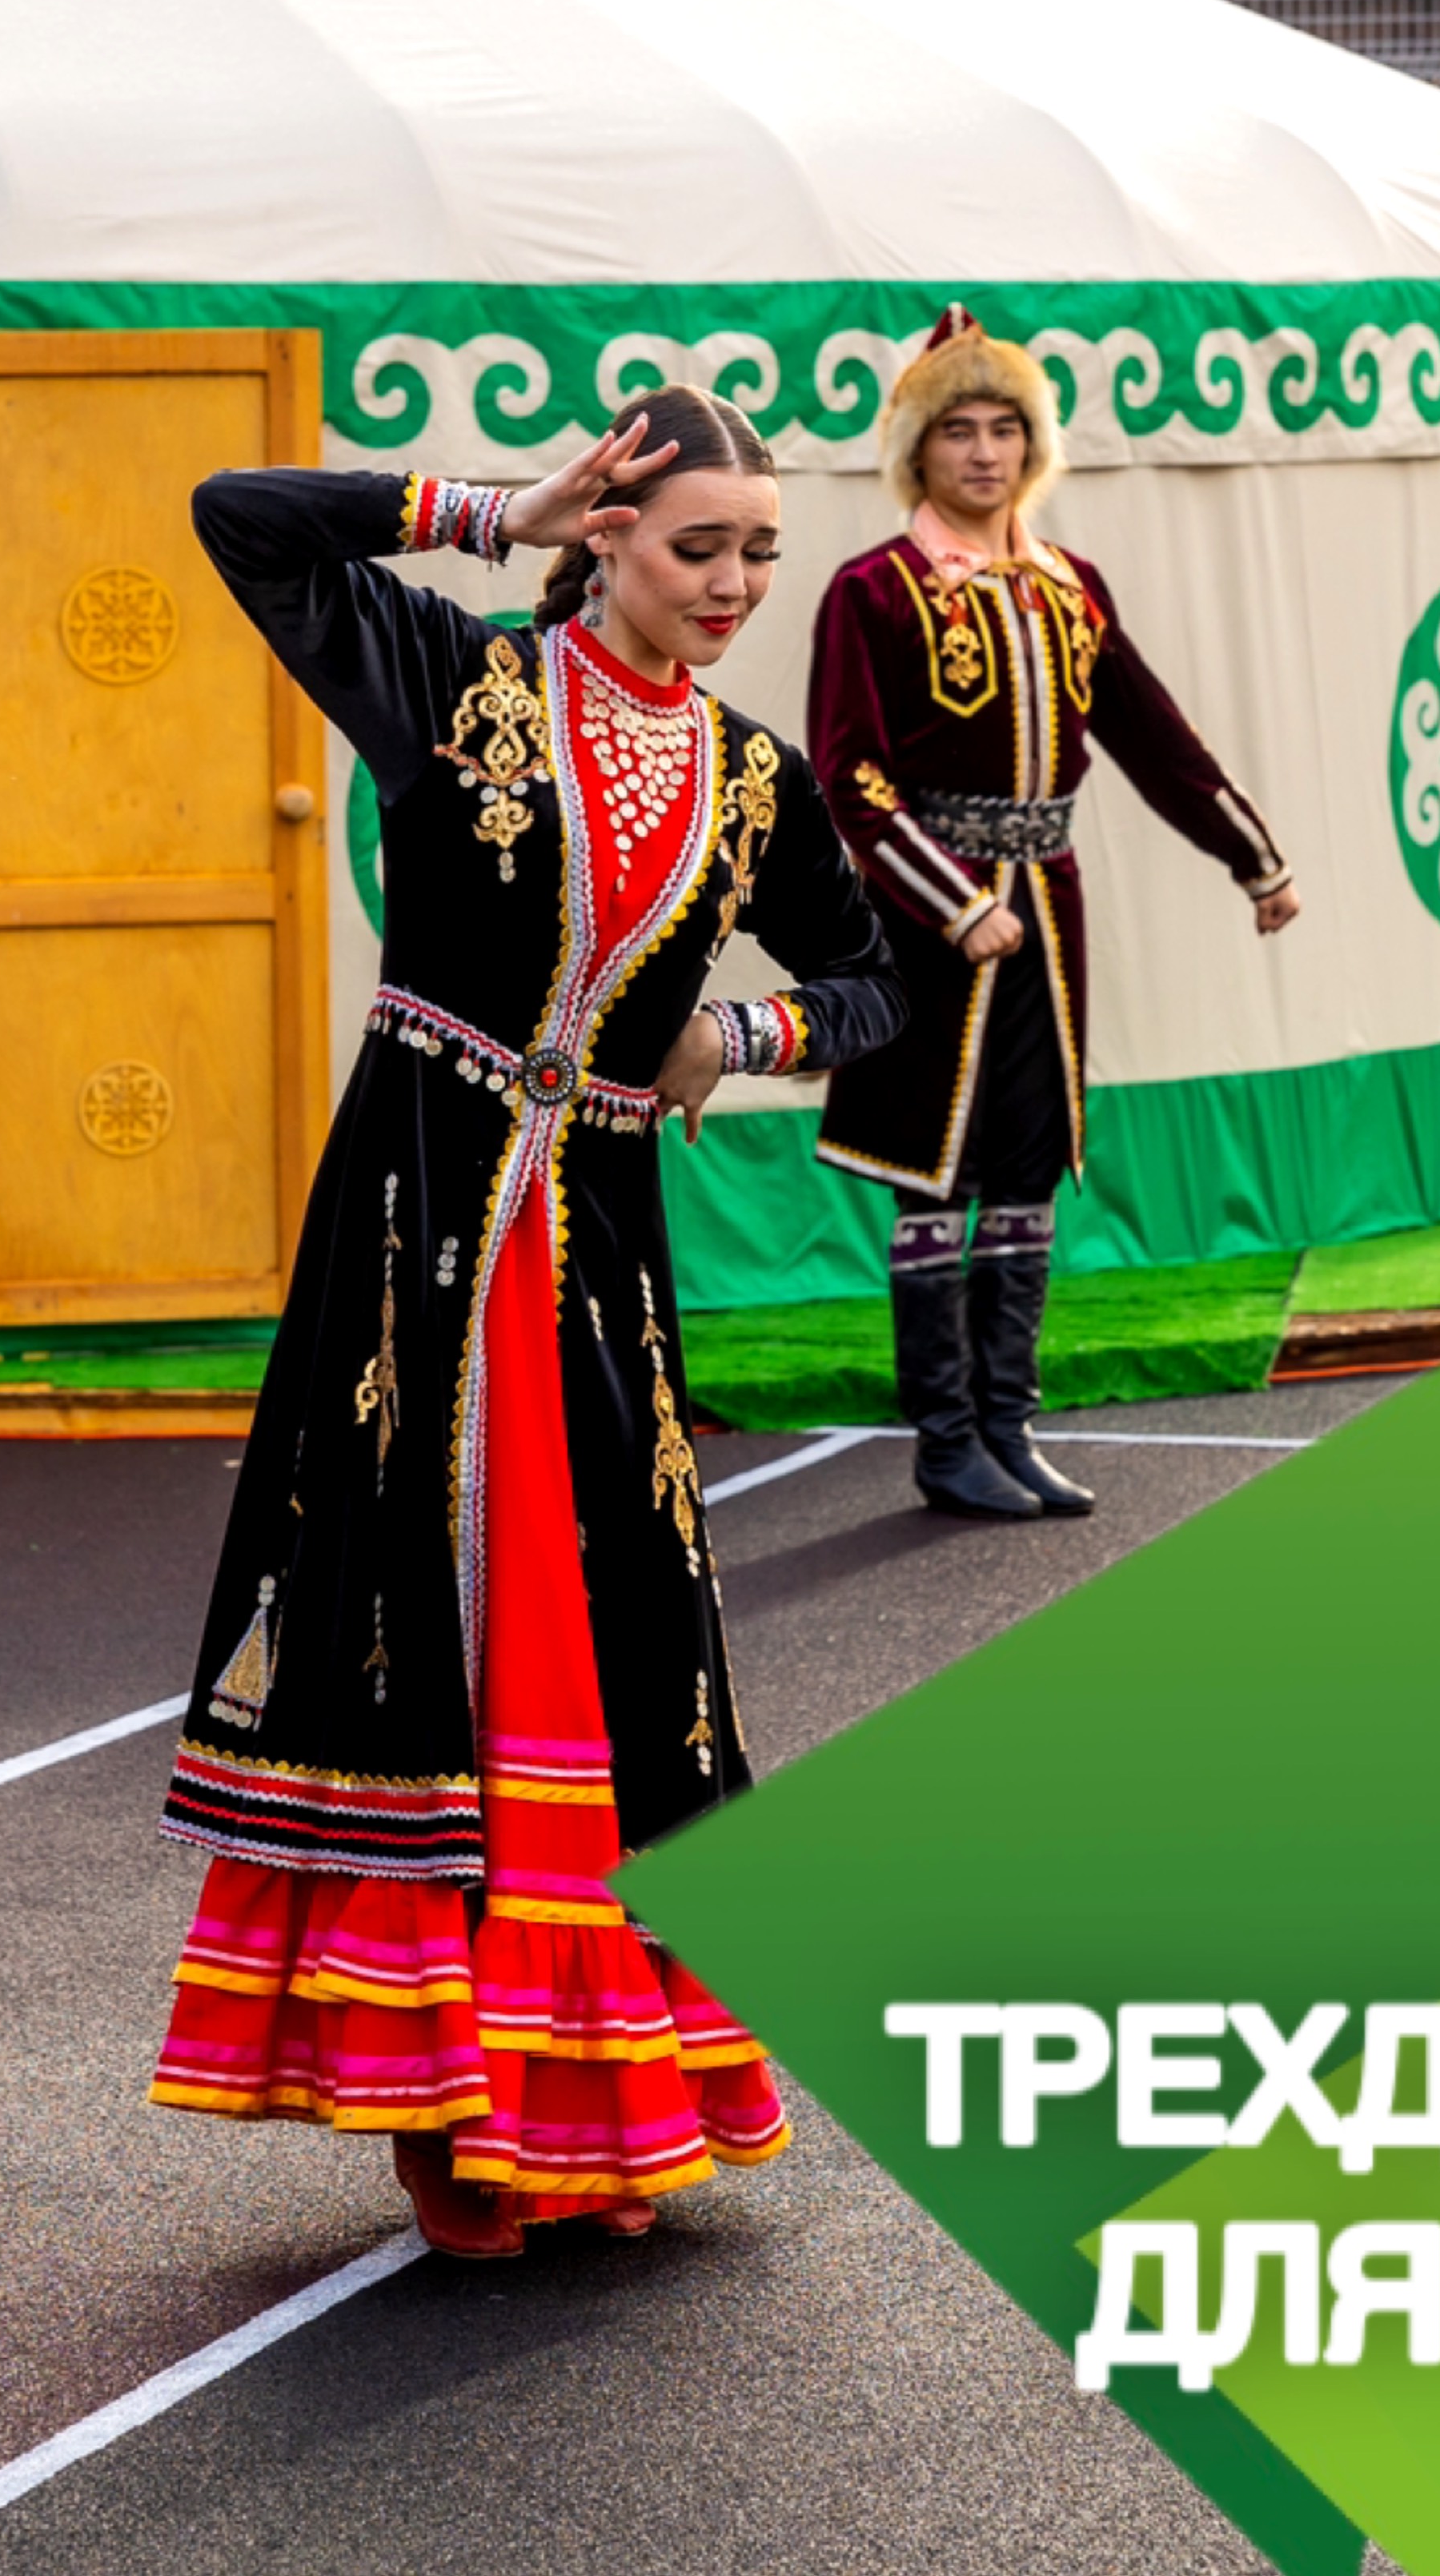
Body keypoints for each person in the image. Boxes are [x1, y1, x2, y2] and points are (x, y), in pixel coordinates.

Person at [144, 389, 903, 2260]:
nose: (731, 584)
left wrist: (745, 1035)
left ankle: (586, 2073)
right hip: (421, 1225)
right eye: (693, 545)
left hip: (599, 1258)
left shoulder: (749, 778)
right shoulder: (455, 682)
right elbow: (240, 514)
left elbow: (870, 977)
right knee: (430, 1623)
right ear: (608, 536)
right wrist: (486, 505)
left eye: (755, 553)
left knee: (609, 1629)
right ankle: (446, 2096)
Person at [805, 307, 1301, 1522]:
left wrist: (1253, 858)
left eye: (1007, 428)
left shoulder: (1069, 590)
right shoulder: (874, 593)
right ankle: (944, 1440)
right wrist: (954, 900)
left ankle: (1009, 1427)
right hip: (929, 925)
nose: (984, 452)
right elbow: (847, 776)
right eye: (958, 431)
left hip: (1048, 920)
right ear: (916, 454)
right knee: (932, 1173)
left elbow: (1151, 735)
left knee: (1026, 1165)